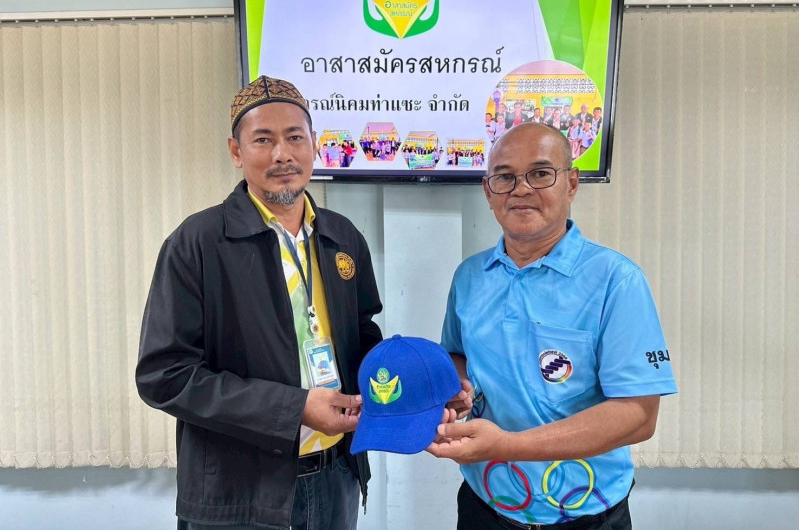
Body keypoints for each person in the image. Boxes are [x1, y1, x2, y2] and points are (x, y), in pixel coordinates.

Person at [136, 75, 384, 530]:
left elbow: (363, 336)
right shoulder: (198, 242)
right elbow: (164, 375)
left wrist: (410, 383)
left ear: (315, 144)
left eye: (295, 137)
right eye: (263, 140)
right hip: (241, 493)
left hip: (337, 477)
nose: (282, 154)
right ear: (236, 152)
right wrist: (294, 408)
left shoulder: (342, 236)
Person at [428, 123, 677, 530]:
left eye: (540, 173)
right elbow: (457, 356)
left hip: (587, 514)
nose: (521, 189)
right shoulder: (469, 276)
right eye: (505, 177)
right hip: (484, 507)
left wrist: (507, 446)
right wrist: (456, 389)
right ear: (488, 192)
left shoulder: (616, 281)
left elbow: (639, 416)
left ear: (571, 184)